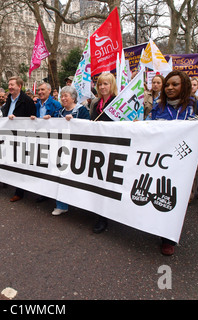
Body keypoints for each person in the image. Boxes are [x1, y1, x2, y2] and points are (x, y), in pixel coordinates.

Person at [151, 70, 198, 255]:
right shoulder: (158, 106)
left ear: (184, 86)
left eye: (175, 84)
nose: (170, 88)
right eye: (167, 85)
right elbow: (146, 128)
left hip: (185, 162)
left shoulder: (197, 106)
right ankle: (157, 226)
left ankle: (169, 238)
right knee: (159, 193)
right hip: (160, 160)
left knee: (175, 198)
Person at [43, 86, 90, 215]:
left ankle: (80, 203)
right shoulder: (59, 112)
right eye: (62, 96)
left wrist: (75, 122)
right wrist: (48, 119)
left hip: (76, 149)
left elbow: (88, 127)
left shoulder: (82, 110)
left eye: (66, 96)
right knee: (60, 177)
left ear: (73, 98)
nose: (63, 98)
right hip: (61, 149)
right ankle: (61, 204)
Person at [89, 72, 118, 233]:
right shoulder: (95, 103)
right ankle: (99, 212)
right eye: (100, 84)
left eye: (106, 84)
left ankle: (105, 215)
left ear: (111, 85)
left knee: (108, 181)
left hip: (112, 147)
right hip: (97, 146)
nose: (102, 87)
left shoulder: (118, 102)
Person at [1, 76, 36, 202]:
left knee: (20, 164)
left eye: (12, 85)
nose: (10, 87)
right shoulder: (9, 100)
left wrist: (16, 118)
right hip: (10, 136)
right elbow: (5, 114)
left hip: (22, 137)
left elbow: (31, 118)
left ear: (19, 86)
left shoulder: (27, 101)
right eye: (9, 84)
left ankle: (19, 192)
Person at [31, 82, 62, 202]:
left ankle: (53, 192)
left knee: (52, 167)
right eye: (39, 90)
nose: (40, 92)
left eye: (43, 89)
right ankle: (44, 192)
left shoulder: (56, 104)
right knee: (42, 166)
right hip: (40, 139)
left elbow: (60, 121)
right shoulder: (37, 104)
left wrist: (52, 119)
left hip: (52, 140)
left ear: (49, 91)